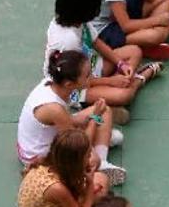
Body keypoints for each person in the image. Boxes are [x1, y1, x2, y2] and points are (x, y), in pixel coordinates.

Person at [44, 0, 162, 112]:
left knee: (134, 51)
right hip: (75, 87)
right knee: (124, 95)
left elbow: (96, 42)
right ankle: (139, 78)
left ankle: (105, 100)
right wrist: (110, 82)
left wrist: (121, 63)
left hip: (89, 66)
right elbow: (75, 81)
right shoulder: (68, 41)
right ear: (85, 8)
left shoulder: (77, 20)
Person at [16, 50, 126, 184]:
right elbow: (77, 147)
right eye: (87, 76)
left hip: (54, 133)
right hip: (38, 157)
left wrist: (83, 120)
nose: (91, 77)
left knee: (106, 111)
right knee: (91, 157)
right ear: (69, 84)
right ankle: (98, 158)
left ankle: (102, 160)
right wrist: (94, 119)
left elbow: (63, 121)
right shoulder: (54, 109)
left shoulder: (52, 83)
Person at [17, 129, 109, 207]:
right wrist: (90, 184)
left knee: (101, 178)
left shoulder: (47, 163)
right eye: (87, 155)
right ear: (76, 161)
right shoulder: (57, 188)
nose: (90, 158)